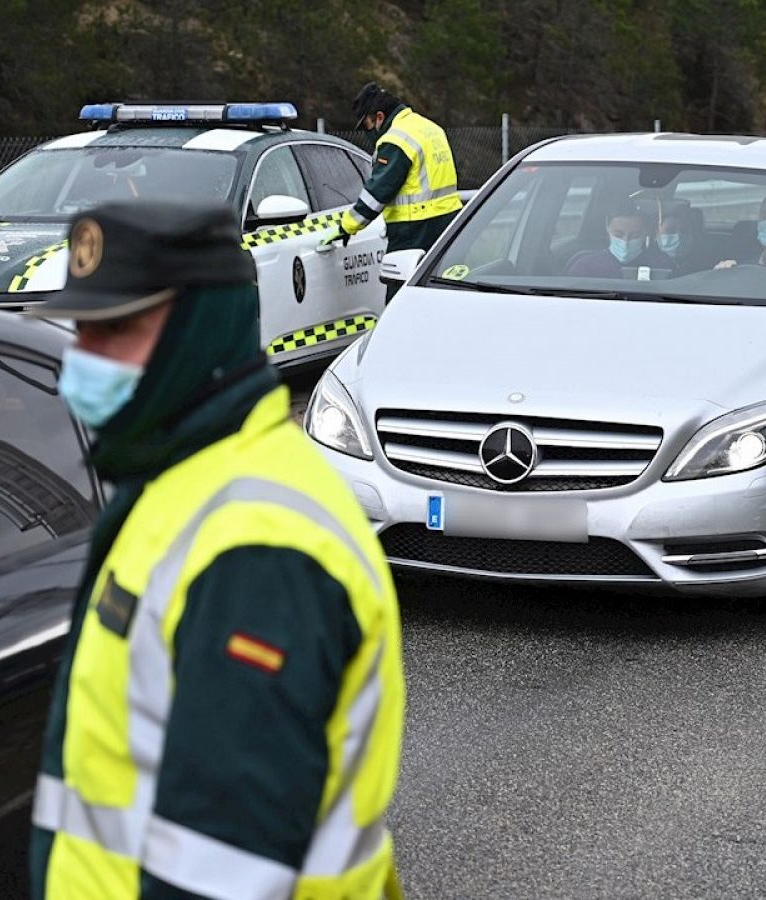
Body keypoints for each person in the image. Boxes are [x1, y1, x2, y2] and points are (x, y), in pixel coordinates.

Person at [26, 201, 405, 899]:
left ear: (200, 332)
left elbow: (218, 877)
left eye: (118, 331)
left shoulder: (259, 548)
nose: (86, 359)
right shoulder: (182, 480)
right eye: (83, 330)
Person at [323, 84, 462, 295]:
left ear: (380, 117)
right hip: (449, 222)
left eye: (367, 125)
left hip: (413, 230)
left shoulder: (395, 139)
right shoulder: (429, 128)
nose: (368, 132)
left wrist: (347, 227)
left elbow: (378, 192)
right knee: (438, 293)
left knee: (400, 298)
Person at [565, 202, 672, 277]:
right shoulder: (585, 266)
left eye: (634, 235)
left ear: (646, 232)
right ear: (607, 228)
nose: (625, 241)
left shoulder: (663, 266)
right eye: (618, 235)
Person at [656, 200, 711, 274]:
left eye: (684, 231)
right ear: (656, 232)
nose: (678, 236)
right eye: (670, 231)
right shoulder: (644, 264)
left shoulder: (706, 263)